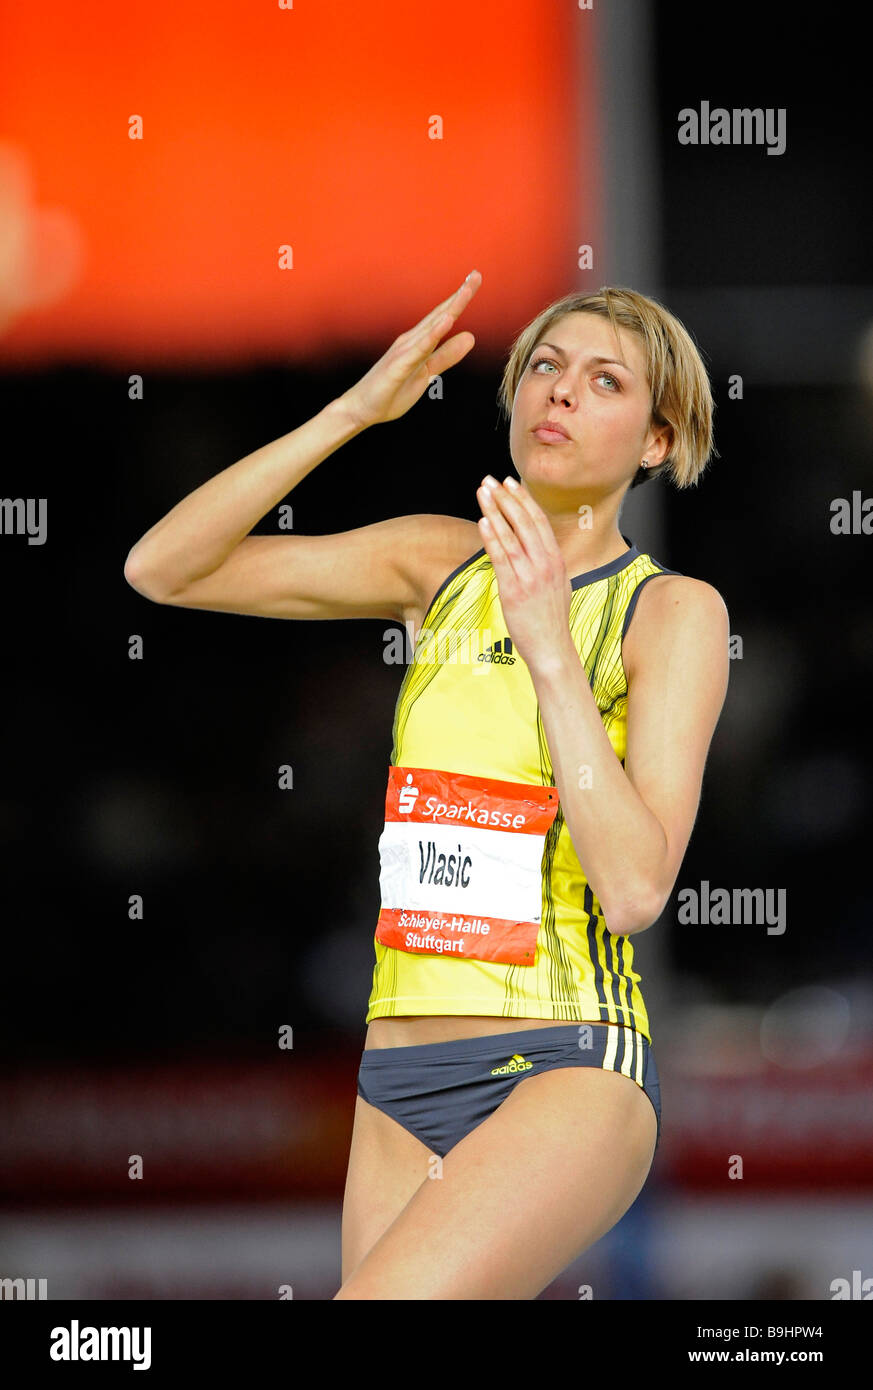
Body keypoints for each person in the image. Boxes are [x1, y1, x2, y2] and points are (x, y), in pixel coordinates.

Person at [124, 270, 729, 1299]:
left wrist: (547, 648)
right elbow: (163, 569)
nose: (561, 392)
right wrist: (353, 411)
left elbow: (634, 889)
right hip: (396, 1075)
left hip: (566, 1063)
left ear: (659, 441)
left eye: (603, 379)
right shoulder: (434, 567)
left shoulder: (671, 613)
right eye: (543, 366)